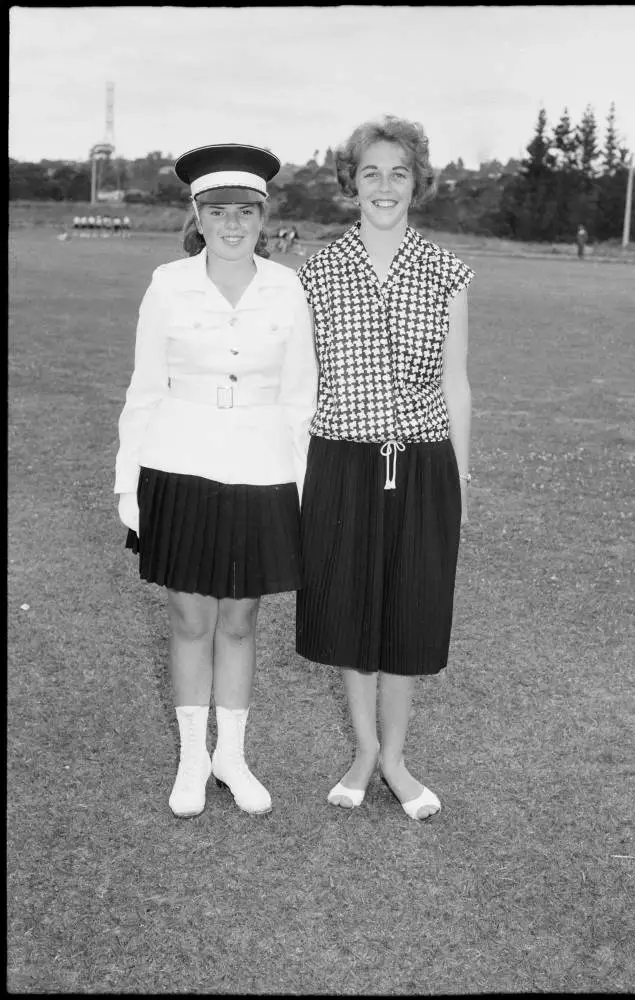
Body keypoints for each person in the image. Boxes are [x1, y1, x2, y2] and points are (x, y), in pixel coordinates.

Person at [114, 143, 318, 819]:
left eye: (246, 211)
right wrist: (128, 484)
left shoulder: (288, 287)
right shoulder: (168, 282)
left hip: (263, 468)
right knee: (188, 616)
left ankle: (231, 755)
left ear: (264, 217)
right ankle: (191, 759)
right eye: (217, 210)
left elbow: (299, 396)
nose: (232, 223)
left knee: (240, 620)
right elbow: (145, 387)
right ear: (196, 216)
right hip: (179, 462)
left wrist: (303, 487)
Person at [296, 115, 474, 822]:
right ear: (350, 183)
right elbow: (303, 384)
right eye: (370, 171)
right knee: (348, 607)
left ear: (416, 183)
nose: (384, 185)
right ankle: (363, 750)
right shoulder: (317, 272)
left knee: (409, 610)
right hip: (340, 460)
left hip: (424, 461)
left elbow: (456, 383)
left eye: (398, 172)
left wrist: (461, 480)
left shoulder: (446, 272)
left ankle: (395, 759)